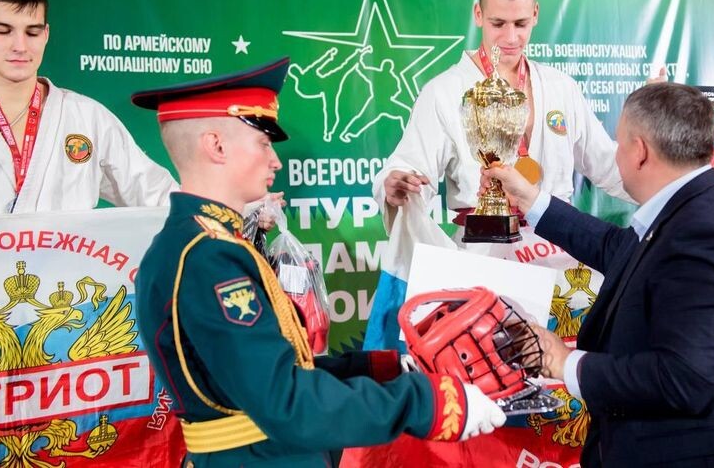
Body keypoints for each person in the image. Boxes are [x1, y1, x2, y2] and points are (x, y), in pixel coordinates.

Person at [132, 58, 507, 467]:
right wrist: (431, 404)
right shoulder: (207, 256)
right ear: (216, 146)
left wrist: (386, 367)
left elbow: (280, 371)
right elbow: (287, 403)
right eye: (263, 143)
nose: (275, 160)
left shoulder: (202, 244)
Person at [483, 82, 714, 467]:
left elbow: (683, 379)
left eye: (619, 143)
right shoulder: (699, 204)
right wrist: (529, 199)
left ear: (640, 151)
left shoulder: (704, 229)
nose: (616, 154)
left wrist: (563, 362)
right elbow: (621, 250)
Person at [373, 0, 630, 234]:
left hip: (558, 240)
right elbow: (410, 170)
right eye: (498, 24)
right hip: (484, 244)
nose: (511, 37)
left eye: (521, 24)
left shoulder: (562, 87)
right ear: (478, 14)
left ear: (535, 14)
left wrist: (654, 147)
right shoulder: (443, 91)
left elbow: (608, 166)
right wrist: (397, 186)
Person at [0, 0, 176, 214]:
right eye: (3, 31)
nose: (20, 46)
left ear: (46, 35)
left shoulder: (86, 117)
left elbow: (157, 194)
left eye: (32, 32)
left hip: (65, 242)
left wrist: (212, 220)